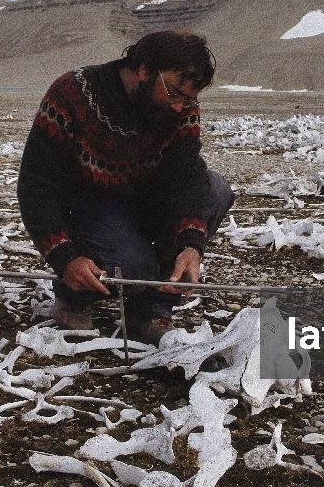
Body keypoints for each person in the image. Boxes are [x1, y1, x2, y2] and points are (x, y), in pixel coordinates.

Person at [17, 30, 234, 346]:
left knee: (216, 189)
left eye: (189, 98)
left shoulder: (181, 106)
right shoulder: (73, 92)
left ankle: (150, 310)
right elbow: (36, 182)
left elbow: (186, 176)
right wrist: (63, 257)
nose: (181, 107)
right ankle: (72, 294)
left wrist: (191, 243)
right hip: (88, 206)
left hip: (146, 201)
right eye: (174, 93)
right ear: (145, 70)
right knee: (135, 267)